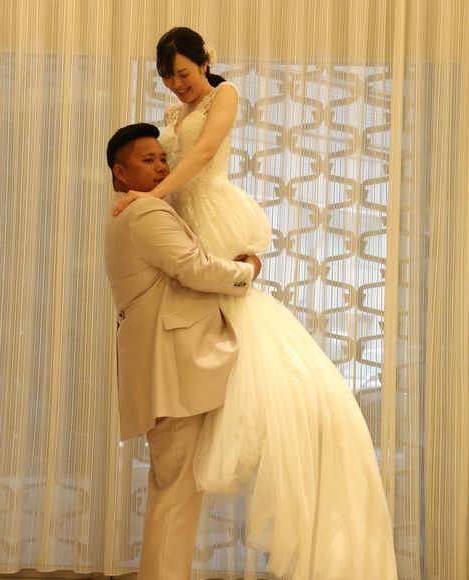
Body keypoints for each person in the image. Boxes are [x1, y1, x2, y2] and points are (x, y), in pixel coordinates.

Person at [113, 28, 399, 580]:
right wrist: (155, 201)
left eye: (183, 75)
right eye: (167, 78)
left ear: (205, 63)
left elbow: (202, 153)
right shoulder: (169, 119)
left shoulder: (224, 95)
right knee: (210, 306)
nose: (176, 87)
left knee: (239, 313)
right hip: (180, 219)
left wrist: (151, 195)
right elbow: (168, 161)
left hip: (205, 207)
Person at [103, 122, 262, 580]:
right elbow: (194, 268)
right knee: (175, 495)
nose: (161, 166)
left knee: (173, 491)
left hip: (165, 367)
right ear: (120, 173)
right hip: (172, 369)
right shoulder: (145, 213)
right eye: (147, 160)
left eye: (163, 158)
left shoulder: (132, 214)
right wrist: (247, 270)